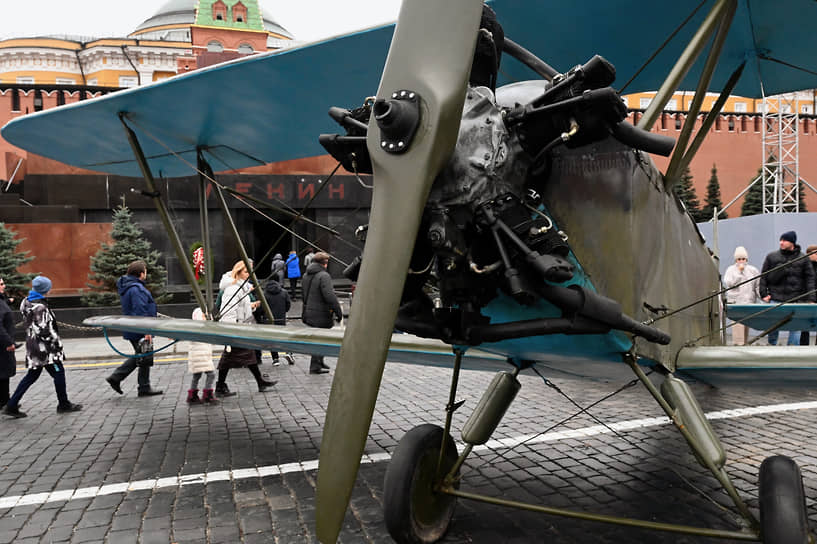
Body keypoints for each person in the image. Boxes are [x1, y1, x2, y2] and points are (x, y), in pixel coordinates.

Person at [3, 276, 82, 418]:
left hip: (33, 345)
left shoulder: (26, 302)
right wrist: (56, 344)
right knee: (58, 372)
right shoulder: (40, 307)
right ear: (45, 289)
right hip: (46, 349)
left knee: (32, 375)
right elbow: (44, 329)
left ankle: (12, 405)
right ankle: (63, 404)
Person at [214, 260, 276, 397]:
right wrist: (230, 333)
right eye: (247, 271)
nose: (249, 274)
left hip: (240, 327)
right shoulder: (232, 289)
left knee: (245, 356)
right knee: (237, 357)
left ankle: (258, 381)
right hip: (236, 329)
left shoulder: (241, 288)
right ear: (238, 272)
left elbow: (241, 307)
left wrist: (252, 305)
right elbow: (228, 312)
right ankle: (221, 386)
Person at [105, 260, 163, 396]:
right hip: (139, 328)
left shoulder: (129, 287)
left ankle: (143, 386)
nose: (146, 274)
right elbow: (140, 310)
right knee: (143, 354)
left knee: (143, 354)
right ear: (141, 273)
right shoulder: (136, 289)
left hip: (133, 327)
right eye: (145, 271)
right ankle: (118, 378)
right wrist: (146, 331)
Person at [759, 231, 816, 345]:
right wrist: (763, 294)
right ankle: (771, 347)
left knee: (795, 328)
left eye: (784, 240)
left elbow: (810, 279)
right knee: (773, 327)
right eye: (781, 240)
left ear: (792, 242)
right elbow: (763, 276)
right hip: (775, 298)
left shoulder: (803, 259)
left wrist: (811, 298)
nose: (781, 242)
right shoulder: (772, 257)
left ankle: (792, 351)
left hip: (796, 299)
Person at [301, 252, 342, 374]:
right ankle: (315, 366)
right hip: (321, 313)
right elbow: (329, 296)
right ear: (325, 263)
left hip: (309, 311)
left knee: (319, 337)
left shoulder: (306, 275)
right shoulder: (324, 276)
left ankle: (320, 361)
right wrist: (338, 312)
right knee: (320, 339)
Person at [722, 246, 760, 345]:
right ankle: (738, 346)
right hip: (736, 303)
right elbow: (729, 283)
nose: (741, 261)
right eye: (739, 259)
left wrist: (762, 296)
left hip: (748, 302)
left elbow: (757, 285)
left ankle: (745, 345)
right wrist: (739, 272)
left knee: (746, 326)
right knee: (737, 325)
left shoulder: (752, 270)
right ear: (736, 260)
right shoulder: (730, 270)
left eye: (743, 259)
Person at [187, 307, 218, 404]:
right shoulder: (201, 329)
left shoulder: (193, 329)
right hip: (202, 357)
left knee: (196, 375)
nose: (206, 317)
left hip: (197, 357)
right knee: (211, 374)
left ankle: (192, 396)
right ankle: (207, 394)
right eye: (204, 315)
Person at [263, 278, 294, 366]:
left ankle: (275, 359)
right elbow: (288, 305)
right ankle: (288, 352)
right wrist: (283, 311)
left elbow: (261, 308)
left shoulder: (264, 294)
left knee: (272, 340)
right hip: (281, 319)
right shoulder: (284, 292)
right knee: (283, 337)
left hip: (269, 320)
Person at [0, 277, 16, 409]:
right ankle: (5, 402)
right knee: (4, 372)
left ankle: (5, 400)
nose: (4, 286)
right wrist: (9, 342)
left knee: (4, 373)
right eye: (1, 284)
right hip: (2, 345)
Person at [800, 244, 817, 345]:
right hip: (806, 299)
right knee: (804, 324)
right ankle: (803, 345)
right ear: (809, 254)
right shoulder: (804, 267)